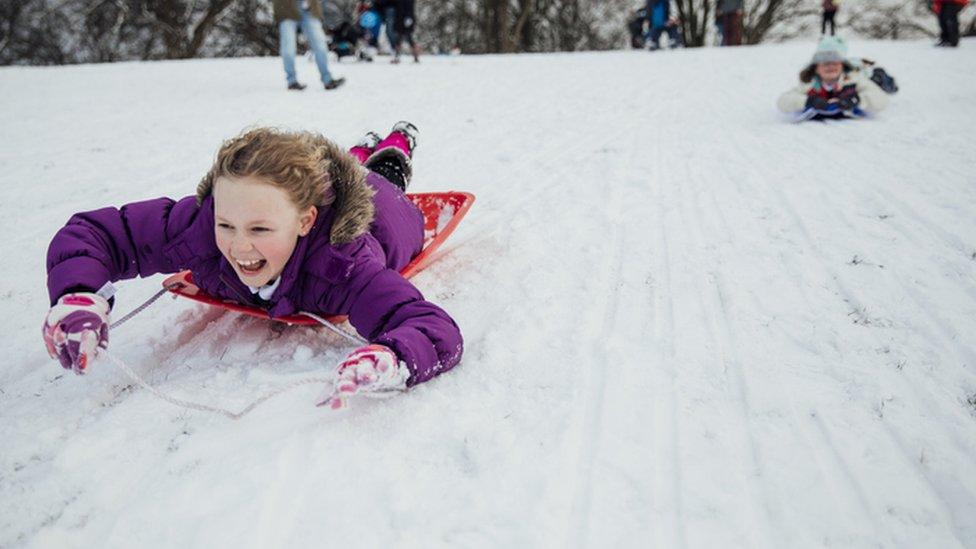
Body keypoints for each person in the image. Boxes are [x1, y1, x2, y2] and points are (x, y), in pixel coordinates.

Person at [42, 122, 463, 410]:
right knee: (336, 165)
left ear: (305, 222)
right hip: (303, 188)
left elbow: (427, 325)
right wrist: (79, 294)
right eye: (227, 223)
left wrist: (393, 357)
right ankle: (352, 154)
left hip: (387, 208)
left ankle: (396, 141)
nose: (238, 245)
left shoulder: (342, 263)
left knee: (383, 171)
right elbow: (101, 233)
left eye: (260, 228)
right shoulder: (202, 225)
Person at [777, 37, 888, 119]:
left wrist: (857, 99)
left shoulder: (853, 79)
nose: (830, 66)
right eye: (825, 63)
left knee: (878, 79)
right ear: (816, 69)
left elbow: (881, 99)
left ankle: (880, 75)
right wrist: (808, 101)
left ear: (842, 66)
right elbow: (783, 102)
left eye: (835, 63)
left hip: (866, 74)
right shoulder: (810, 84)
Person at [273, 0, 345, 91]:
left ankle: (327, 80)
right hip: (286, 10)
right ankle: (292, 81)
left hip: (309, 10)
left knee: (321, 45)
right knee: (288, 49)